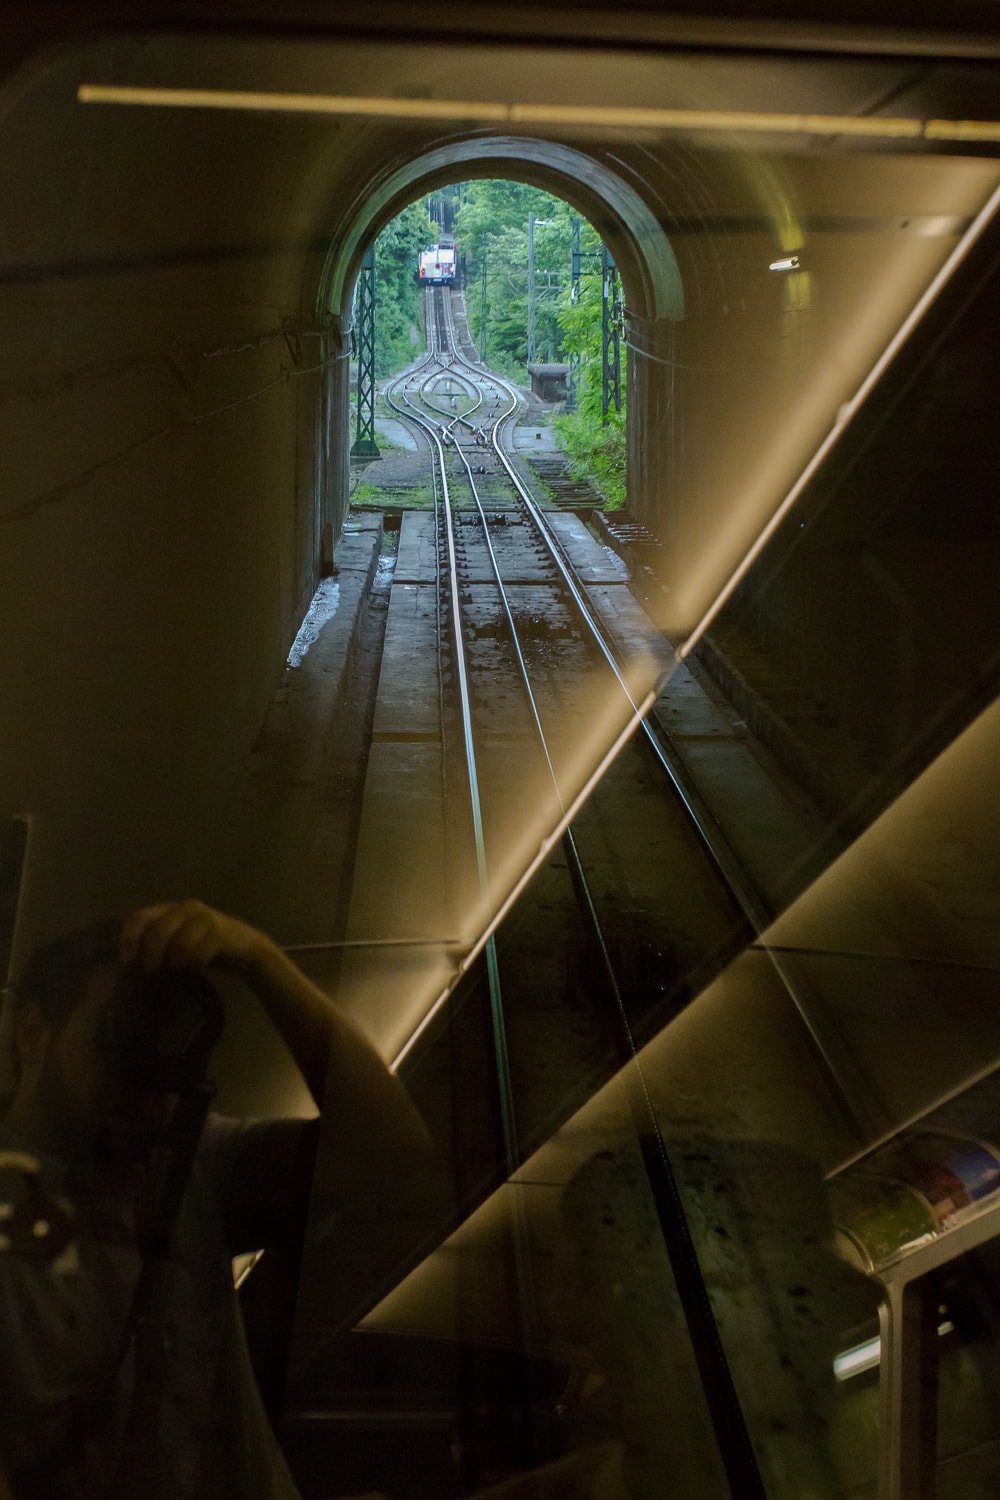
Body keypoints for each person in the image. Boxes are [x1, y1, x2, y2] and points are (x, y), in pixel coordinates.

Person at [0, 899, 435, 1500]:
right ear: (32, 1033)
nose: (146, 1076)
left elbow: (391, 1157)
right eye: (120, 1033)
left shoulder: (190, 1162)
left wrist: (260, 961)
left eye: (168, 1046)